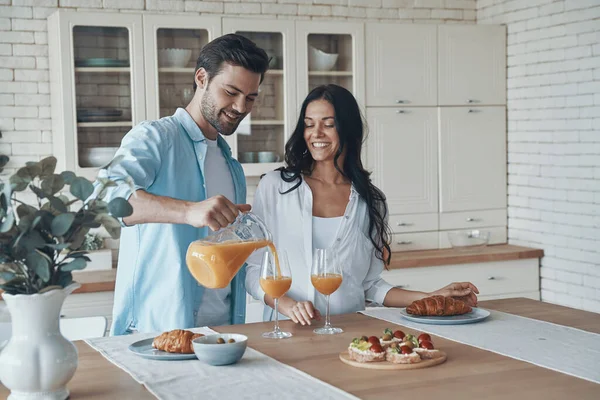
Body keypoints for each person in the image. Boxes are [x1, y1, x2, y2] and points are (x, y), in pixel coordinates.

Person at [245, 84, 478, 325]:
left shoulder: (371, 201)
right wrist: (286, 304)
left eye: (328, 124)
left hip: (349, 333)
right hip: (284, 333)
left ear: (348, 129)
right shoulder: (276, 187)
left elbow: (370, 285)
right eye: (309, 124)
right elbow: (253, 271)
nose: (316, 133)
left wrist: (430, 296)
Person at [100, 34, 270, 335]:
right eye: (230, 92)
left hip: (221, 331)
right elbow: (106, 198)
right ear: (201, 78)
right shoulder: (155, 138)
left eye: (251, 97)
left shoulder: (232, 166)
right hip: (157, 332)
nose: (240, 107)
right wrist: (189, 211)